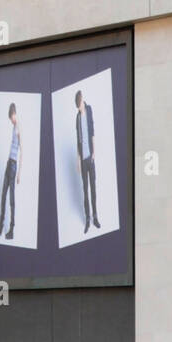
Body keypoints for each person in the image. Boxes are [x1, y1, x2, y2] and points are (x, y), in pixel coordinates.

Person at [0, 101, 22, 240]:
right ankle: (0, 224)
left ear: (14, 114)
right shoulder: (13, 126)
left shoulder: (19, 127)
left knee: (11, 199)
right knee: (3, 194)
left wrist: (19, 173)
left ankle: (12, 229)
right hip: (8, 163)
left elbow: (23, 151)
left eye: (11, 117)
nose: (11, 120)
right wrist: (7, 160)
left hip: (14, 165)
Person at [75, 88, 100, 234]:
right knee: (85, 190)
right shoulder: (77, 117)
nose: (79, 109)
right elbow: (78, 140)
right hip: (82, 160)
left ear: (82, 100)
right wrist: (78, 160)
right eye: (77, 107)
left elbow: (92, 131)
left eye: (80, 106)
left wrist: (94, 152)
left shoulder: (89, 110)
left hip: (90, 157)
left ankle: (95, 217)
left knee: (93, 189)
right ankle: (87, 219)